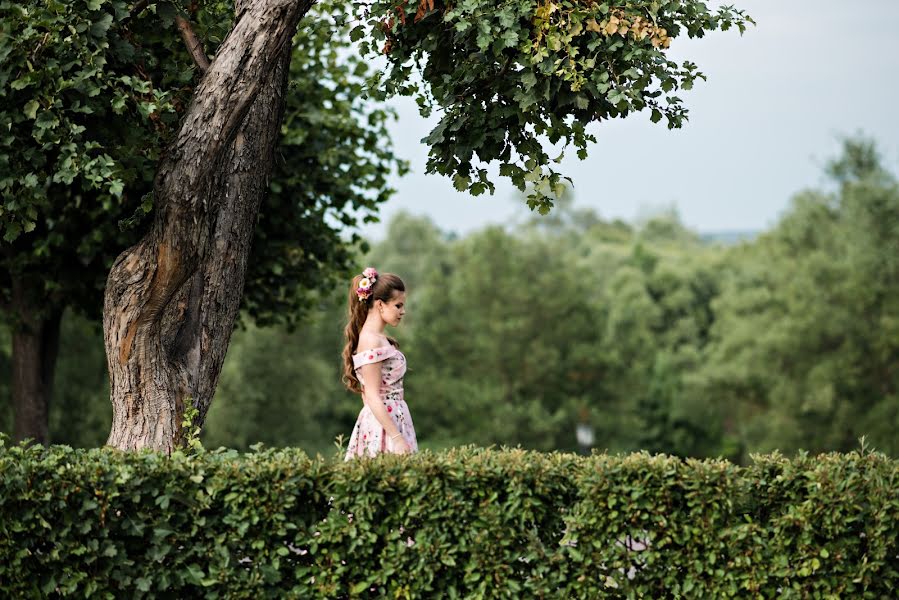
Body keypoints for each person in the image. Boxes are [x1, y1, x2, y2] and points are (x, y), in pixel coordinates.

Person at [343, 267, 418, 460]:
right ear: (380, 305)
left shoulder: (378, 338)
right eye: (398, 306)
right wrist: (396, 437)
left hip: (393, 419)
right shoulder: (370, 340)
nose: (403, 312)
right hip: (384, 426)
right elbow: (372, 396)